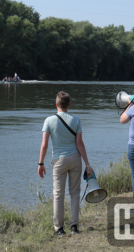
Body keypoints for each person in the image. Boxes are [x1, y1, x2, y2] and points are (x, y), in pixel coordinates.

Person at [39, 91, 93, 236]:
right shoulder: (76, 120)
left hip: (58, 161)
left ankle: (59, 229)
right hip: (75, 159)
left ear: (56, 104)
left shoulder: (49, 120)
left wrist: (41, 163)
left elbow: (44, 145)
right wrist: (87, 163)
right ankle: (74, 226)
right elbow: (79, 143)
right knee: (75, 192)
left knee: (58, 194)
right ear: (69, 104)